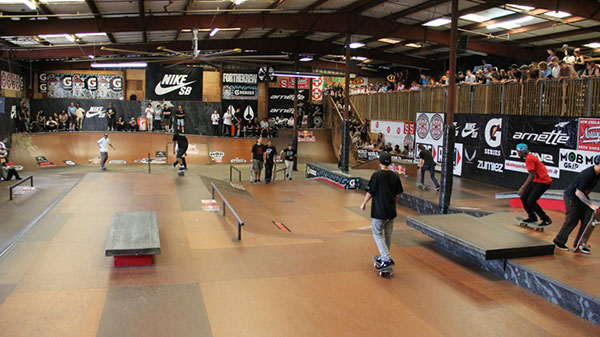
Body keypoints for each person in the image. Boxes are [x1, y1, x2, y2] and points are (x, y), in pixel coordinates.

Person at [360, 152, 403, 272]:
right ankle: (385, 256)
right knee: (387, 235)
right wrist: (393, 205)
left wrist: (364, 203)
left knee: (377, 234)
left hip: (379, 211)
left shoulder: (376, 176)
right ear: (390, 164)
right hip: (391, 211)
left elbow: (370, 192)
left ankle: (385, 257)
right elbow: (397, 195)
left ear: (379, 163)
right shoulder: (395, 177)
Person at [553, 156, 600, 254]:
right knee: (572, 220)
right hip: (572, 197)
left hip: (583, 197)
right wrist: (591, 205)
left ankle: (580, 243)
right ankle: (559, 241)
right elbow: (578, 193)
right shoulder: (588, 174)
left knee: (589, 218)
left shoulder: (598, 173)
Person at [516, 144, 553, 226]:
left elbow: (531, 175)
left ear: (521, 152)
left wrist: (523, 187)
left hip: (544, 182)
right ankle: (532, 216)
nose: (517, 153)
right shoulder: (529, 157)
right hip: (537, 181)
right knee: (524, 197)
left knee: (531, 201)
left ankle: (546, 219)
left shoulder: (529, 158)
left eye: (518, 151)